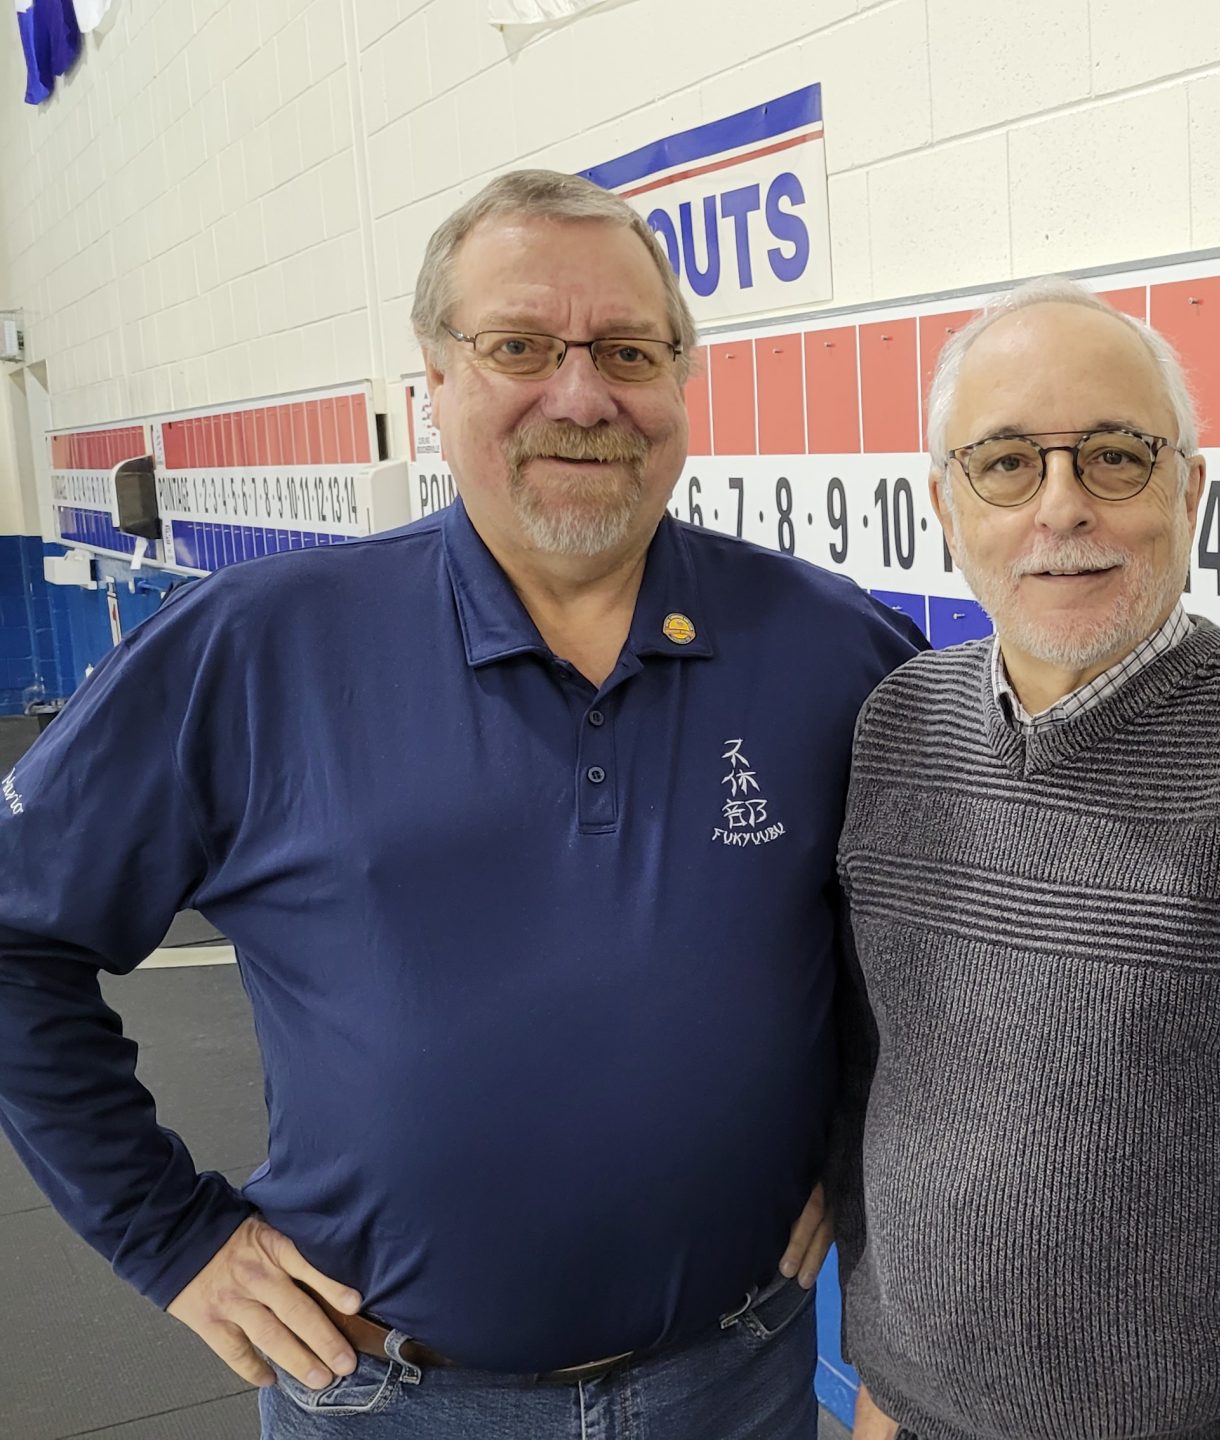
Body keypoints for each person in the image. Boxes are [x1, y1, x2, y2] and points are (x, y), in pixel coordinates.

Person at [0, 168, 921, 1438]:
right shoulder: (258, 649)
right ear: (433, 379)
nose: (582, 396)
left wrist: (857, 1140)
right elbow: (16, 937)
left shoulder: (833, 647)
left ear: (681, 379)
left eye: (629, 351)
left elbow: (945, 949)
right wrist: (171, 1237)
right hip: (390, 1400)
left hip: (734, 1381)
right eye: (520, 347)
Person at [830, 277, 1220, 1440]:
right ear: (944, 505)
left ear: (1191, 491)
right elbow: (884, 1071)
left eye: (1117, 458)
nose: (1062, 507)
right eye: (1006, 463)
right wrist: (884, 1380)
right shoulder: (898, 728)